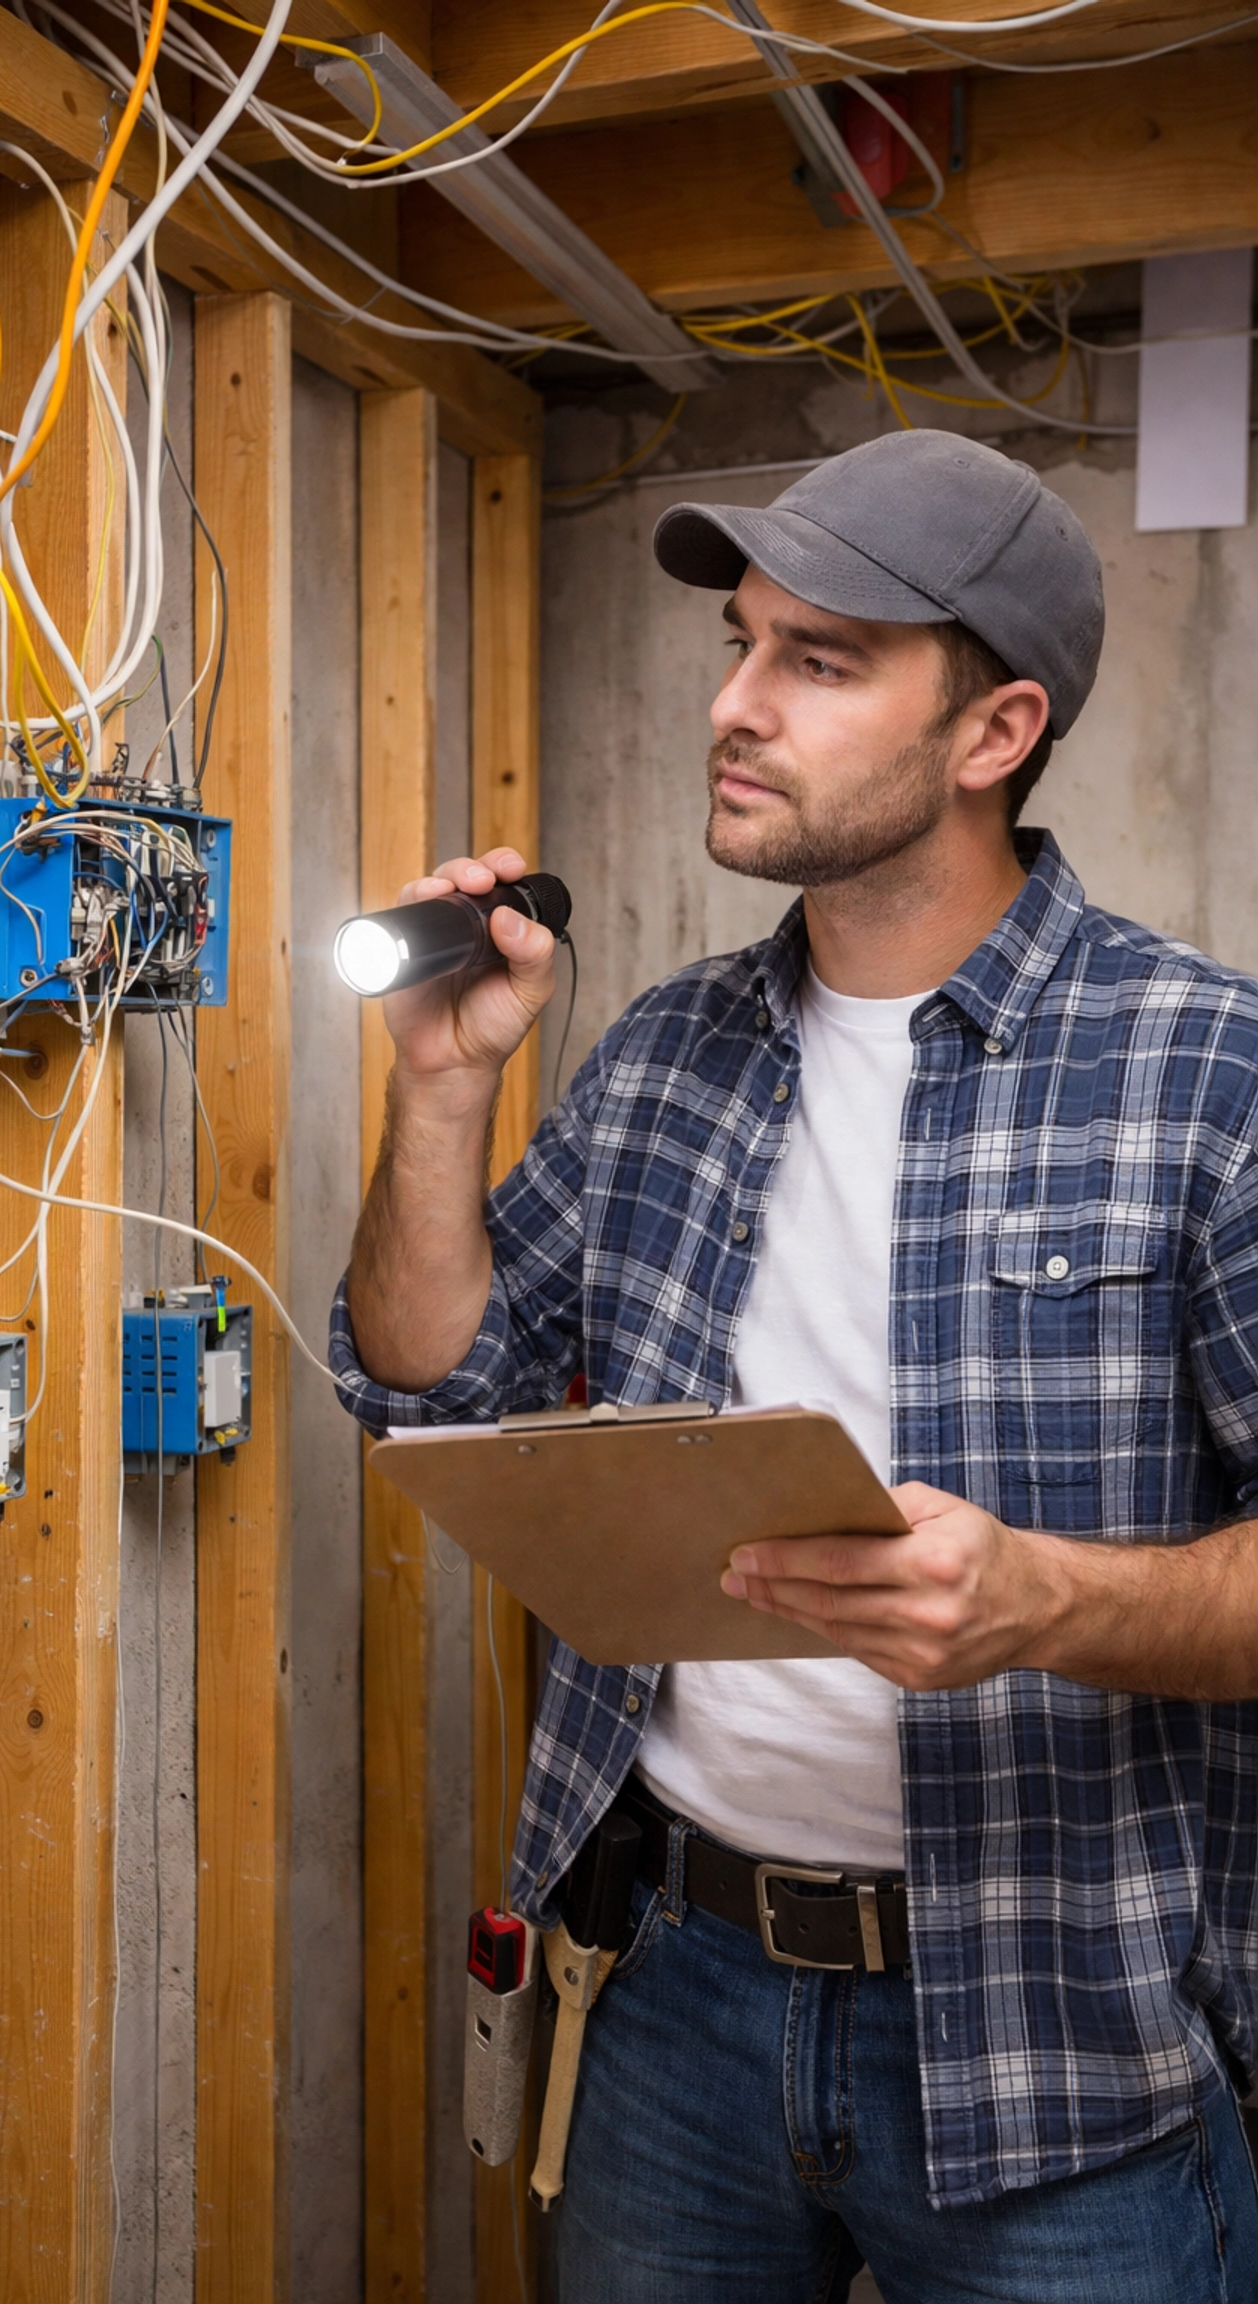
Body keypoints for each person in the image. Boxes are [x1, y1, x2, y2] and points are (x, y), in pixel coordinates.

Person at [330, 429, 1258, 2302]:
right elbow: (436, 1383)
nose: (737, 708)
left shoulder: (1207, 1076)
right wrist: (443, 1093)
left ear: (994, 733)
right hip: (679, 1988)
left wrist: (1044, 1599)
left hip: (1057, 2037)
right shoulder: (675, 1048)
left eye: (818, 663)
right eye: (741, 646)